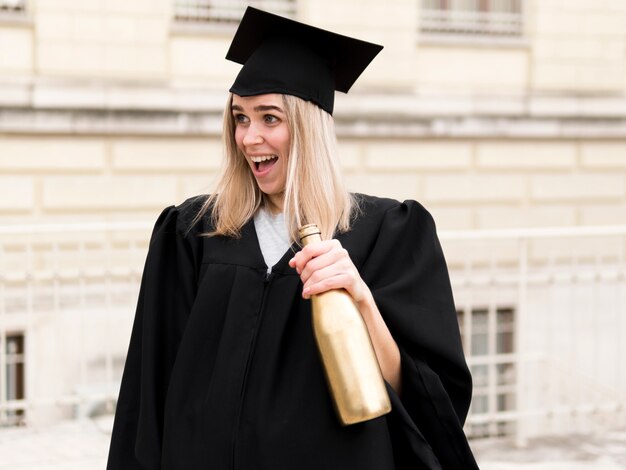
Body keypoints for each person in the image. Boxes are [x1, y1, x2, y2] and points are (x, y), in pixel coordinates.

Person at [107, 7, 479, 470]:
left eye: (269, 118)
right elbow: (148, 392)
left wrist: (361, 300)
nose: (249, 137)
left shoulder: (388, 234)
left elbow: (426, 402)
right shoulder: (192, 234)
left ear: (308, 127)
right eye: (240, 118)